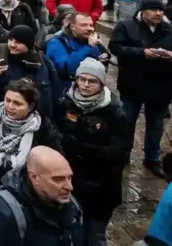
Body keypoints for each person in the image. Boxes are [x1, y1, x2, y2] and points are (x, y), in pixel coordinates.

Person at [110, 0, 172, 179]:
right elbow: (116, 47)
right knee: (127, 121)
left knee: (155, 125)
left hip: (161, 88)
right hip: (132, 86)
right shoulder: (126, 26)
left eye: (160, 10)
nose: (158, 13)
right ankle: (123, 153)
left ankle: (152, 158)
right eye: (154, 10)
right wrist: (142, 53)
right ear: (142, 11)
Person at [0, 78, 63, 228]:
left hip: (20, 197)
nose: (10, 106)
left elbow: (54, 162)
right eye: (7, 100)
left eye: (17, 103)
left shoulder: (42, 129)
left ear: (30, 106)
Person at [54, 59, 130, 245]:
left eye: (92, 81)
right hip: (71, 184)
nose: (86, 85)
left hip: (100, 189)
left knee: (94, 237)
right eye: (82, 79)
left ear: (101, 83)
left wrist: (80, 147)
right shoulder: (66, 103)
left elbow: (118, 152)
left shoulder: (115, 113)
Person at [0, 146, 85, 246]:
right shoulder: (3, 212)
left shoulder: (71, 206)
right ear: (34, 178)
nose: (69, 187)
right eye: (58, 179)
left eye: (69, 178)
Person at [0, 25, 62, 118]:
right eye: (10, 40)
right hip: (0, 116)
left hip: (34, 119)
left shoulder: (42, 63)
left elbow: (54, 94)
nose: (12, 44)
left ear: (28, 45)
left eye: (18, 42)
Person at [46, 13, 105, 91]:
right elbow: (67, 68)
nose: (90, 28)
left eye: (91, 25)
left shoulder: (90, 41)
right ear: (72, 27)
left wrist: (103, 55)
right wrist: (89, 47)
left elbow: (100, 67)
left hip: (89, 90)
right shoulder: (56, 42)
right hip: (65, 91)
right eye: (84, 25)